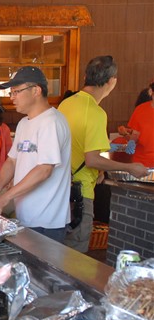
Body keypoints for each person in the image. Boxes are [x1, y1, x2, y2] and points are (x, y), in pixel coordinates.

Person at [58, 56, 148, 252]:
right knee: (74, 255)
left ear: (85, 77)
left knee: (58, 250)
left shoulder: (66, 104)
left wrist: (99, 170)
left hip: (60, 188)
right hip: (80, 193)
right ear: (112, 81)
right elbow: (92, 159)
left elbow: (74, 146)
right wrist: (130, 167)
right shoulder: (96, 112)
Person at [0, 67, 72, 243]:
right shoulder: (24, 123)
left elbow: (44, 170)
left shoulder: (52, 122)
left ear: (36, 90)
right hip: (26, 217)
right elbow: (12, 161)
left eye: (16, 92)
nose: (12, 97)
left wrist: (5, 198)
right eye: (11, 92)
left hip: (47, 222)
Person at [126, 80, 154, 167]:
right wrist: (131, 141)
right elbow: (135, 132)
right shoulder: (140, 109)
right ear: (151, 92)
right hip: (142, 161)